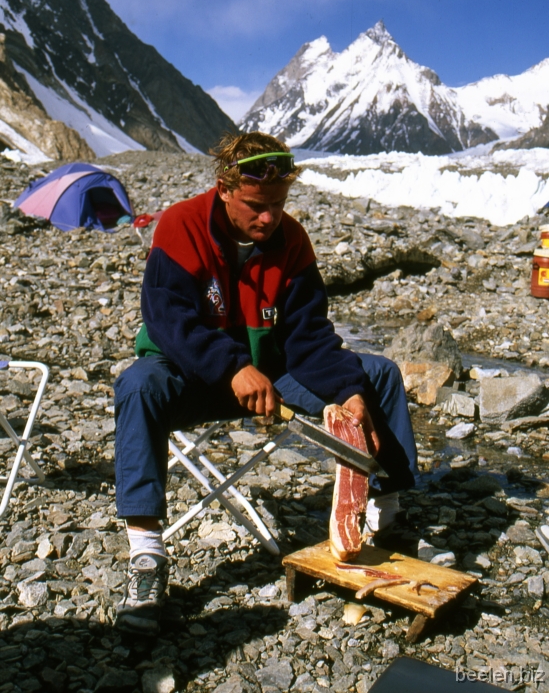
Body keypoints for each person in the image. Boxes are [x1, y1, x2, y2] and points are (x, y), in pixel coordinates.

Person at [113, 131, 419, 634]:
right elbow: (170, 322)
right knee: (137, 386)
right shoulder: (180, 226)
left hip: (270, 382)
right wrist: (232, 366)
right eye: (257, 205)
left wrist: (348, 391)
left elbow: (311, 336)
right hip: (188, 374)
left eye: (277, 205)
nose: (269, 218)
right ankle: (146, 556)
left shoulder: (291, 241)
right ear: (224, 188)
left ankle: (387, 518)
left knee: (378, 375)